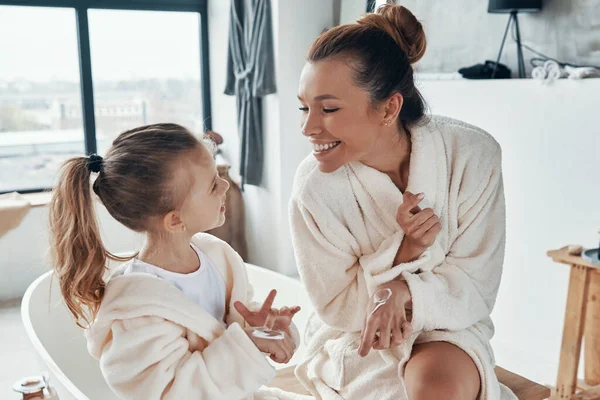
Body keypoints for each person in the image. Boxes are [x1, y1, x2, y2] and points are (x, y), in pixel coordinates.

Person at [290, 4, 516, 400]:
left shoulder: (472, 156)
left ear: (389, 107)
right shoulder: (313, 188)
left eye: (328, 109)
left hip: (446, 324)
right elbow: (336, 304)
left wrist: (403, 290)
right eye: (304, 108)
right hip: (357, 333)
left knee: (435, 389)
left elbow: (476, 283)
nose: (308, 128)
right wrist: (402, 257)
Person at [48, 123, 301, 400]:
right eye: (213, 185)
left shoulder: (218, 257)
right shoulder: (136, 309)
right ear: (175, 220)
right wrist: (249, 345)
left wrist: (261, 327)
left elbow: (227, 330)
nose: (226, 185)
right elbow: (168, 391)